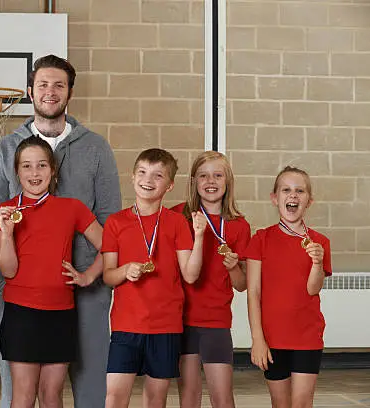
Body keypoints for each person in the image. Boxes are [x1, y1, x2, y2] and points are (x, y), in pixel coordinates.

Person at [0, 54, 121, 408]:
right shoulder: (5, 149)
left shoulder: (96, 148)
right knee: (19, 389)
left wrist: (94, 274)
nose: (50, 91)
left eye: (59, 84)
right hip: (21, 291)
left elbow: (110, 223)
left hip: (82, 288)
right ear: (30, 91)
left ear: (70, 92)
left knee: (88, 385)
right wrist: (1, 278)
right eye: (43, 84)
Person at [0, 136, 103, 408]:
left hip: (60, 313)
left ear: (52, 170)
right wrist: (6, 235)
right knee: (24, 395)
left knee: (51, 395)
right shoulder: (4, 212)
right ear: (16, 171)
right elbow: (8, 270)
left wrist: (87, 276)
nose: (34, 173)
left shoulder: (71, 207)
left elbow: (111, 245)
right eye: (26, 166)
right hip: (21, 314)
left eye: (41, 165)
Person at [102, 148, 206, 408]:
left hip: (166, 327)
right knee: (114, 396)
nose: (148, 180)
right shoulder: (115, 222)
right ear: (132, 176)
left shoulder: (177, 223)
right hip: (126, 326)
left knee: (156, 398)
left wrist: (201, 235)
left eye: (158, 175)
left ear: (169, 185)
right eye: (143, 172)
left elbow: (190, 275)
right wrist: (125, 270)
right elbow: (108, 276)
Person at [244, 166, 331, 408]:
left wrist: (317, 262)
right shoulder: (260, 239)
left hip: (307, 336)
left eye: (299, 191)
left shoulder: (320, 242)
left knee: (302, 403)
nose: (293, 195)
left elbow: (313, 289)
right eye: (286, 190)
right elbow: (254, 292)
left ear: (309, 201)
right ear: (275, 198)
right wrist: (257, 338)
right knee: (280, 404)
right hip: (272, 338)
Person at [171, 151, 250, 408]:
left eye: (218, 175)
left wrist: (232, 268)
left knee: (222, 398)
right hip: (181, 319)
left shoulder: (238, 225)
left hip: (216, 321)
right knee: (189, 397)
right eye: (203, 176)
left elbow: (242, 284)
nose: (211, 181)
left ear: (228, 181)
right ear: (194, 181)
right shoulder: (177, 216)